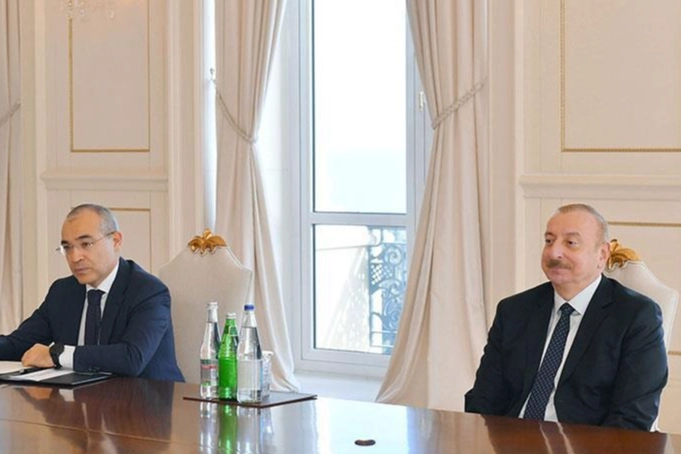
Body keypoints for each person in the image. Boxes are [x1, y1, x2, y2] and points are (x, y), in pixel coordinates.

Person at [465, 203, 667, 431]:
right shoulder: (513, 311)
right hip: (508, 440)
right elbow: (483, 400)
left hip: (587, 444)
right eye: (549, 241)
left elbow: (632, 418)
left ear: (602, 254)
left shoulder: (636, 317)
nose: (554, 253)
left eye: (570, 243)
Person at [0, 204, 184, 382]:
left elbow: (132, 358)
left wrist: (57, 355)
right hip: (81, 398)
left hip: (147, 398)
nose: (75, 257)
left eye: (86, 244)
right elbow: (18, 345)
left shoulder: (148, 291)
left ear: (116, 240)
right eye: (67, 247)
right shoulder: (63, 291)